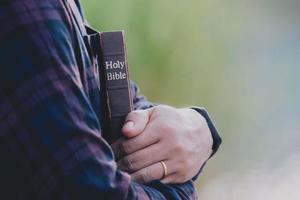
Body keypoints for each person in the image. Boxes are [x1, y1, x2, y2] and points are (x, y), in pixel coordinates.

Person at [0, 0, 221, 199]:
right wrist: (180, 190)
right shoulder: (27, 9)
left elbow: (122, 104)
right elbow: (89, 189)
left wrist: (199, 128)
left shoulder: (63, 7)